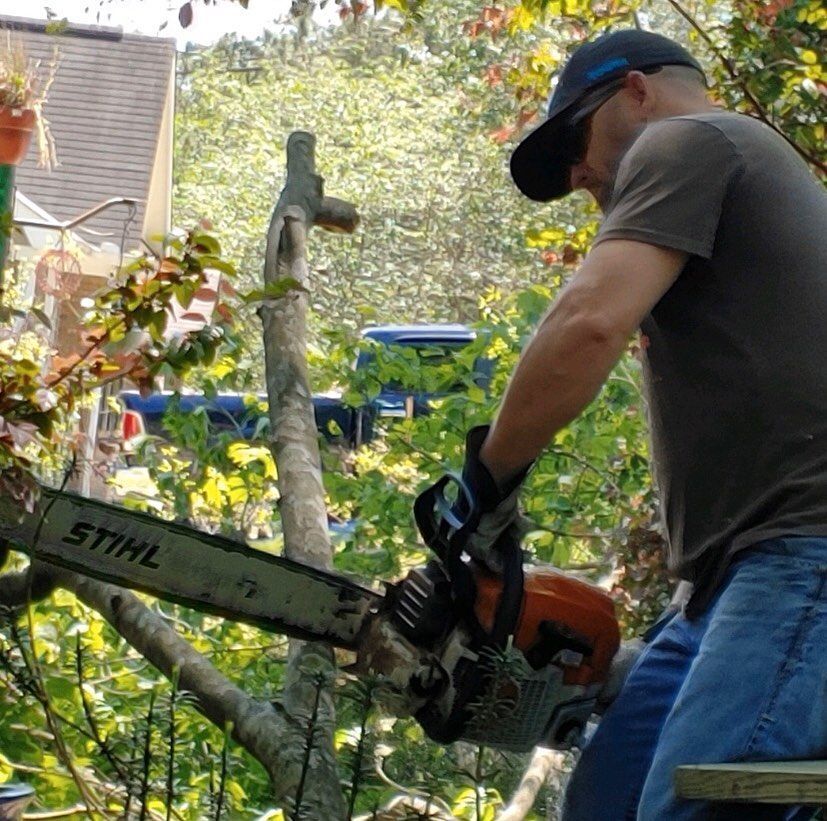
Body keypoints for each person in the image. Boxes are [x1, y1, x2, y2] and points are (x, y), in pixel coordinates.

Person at [452, 29, 827, 821]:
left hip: (803, 551)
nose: (576, 173)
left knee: (699, 807)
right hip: (723, 583)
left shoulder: (687, 139)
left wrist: (485, 482)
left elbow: (588, 325)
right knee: (605, 801)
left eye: (572, 141)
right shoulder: (737, 165)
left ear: (634, 90)